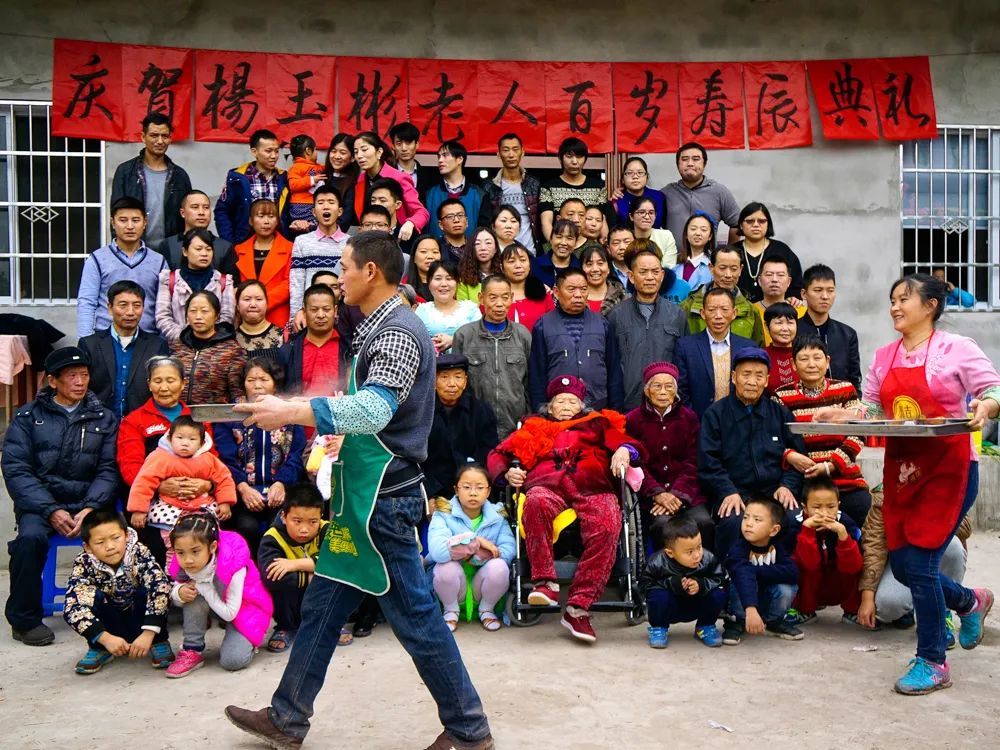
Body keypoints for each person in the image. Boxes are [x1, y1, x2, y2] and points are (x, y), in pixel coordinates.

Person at [226, 230, 494, 750]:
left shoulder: (396, 332)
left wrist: (294, 410)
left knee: (417, 619)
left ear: (370, 272)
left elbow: (374, 409)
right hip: (362, 498)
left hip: (382, 505)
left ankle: (467, 727)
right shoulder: (378, 327)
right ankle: (287, 717)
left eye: (344, 268)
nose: (337, 278)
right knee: (324, 606)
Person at [815, 273, 999, 694]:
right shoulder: (884, 356)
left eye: (904, 299)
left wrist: (986, 406)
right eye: (892, 300)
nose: (895, 307)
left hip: (949, 470)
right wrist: (840, 414)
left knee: (920, 564)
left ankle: (933, 660)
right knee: (907, 564)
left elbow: (992, 387)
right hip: (902, 471)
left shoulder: (957, 348)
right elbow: (874, 410)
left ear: (930, 305)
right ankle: (971, 601)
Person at [488, 375, 641, 642]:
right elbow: (498, 454)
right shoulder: (534, 425)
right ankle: (545, 583)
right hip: (546, 483)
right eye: (561, 401)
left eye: (573, 401)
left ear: (582, 405)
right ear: (550, 406)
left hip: (592, 484)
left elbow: (628, 443)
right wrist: (507, 473)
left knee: (607, 520)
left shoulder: (597, 423)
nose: (567, 405)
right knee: (534, 503)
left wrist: (625, 451)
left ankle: (578, 607)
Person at [3, 347, 119, 646]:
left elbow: (108, 469)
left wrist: (92, 506)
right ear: (53, 381)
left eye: (84, 375)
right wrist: (50, 509)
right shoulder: (28, 417)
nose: (80, 382)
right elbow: (17, 469)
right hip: (41, 504)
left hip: (88, 502)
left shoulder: (103, 418)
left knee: (121, 537)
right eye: (71, 376)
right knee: (29, 541)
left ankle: (119, 611)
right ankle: (25, 620)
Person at [698, 348, 805, 557]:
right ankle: (728, 579)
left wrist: (787, 486)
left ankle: (786, 579)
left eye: (759, 376)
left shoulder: (780, 413)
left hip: (773, 493)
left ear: (767, 380)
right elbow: (708, 463)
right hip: (736, 492)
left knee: (794, 518)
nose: (752, 381)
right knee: (733, 521)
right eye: (746, 374)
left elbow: (797, 458)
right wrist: (727, 490)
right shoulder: (715, 415)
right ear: (734, 377)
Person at [116, 356, 208, 565]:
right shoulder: (134, 420)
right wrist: (160, 487)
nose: (164, 387)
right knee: (156, 547)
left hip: (196, 495)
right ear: (149, 384)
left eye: (171, 380)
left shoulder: (198, 419)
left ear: (183, 383)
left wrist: (206, 483)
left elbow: (213, 459)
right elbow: (130, 467)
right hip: (151, 499)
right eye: (157, 381)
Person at [774, 335, 872, 526]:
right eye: (803, 359)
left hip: (844, 478)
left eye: (817, 358)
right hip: (803, 480)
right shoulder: (781, 396)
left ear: (827, 361)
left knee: (862, 510)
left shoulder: (845, 389)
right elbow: (775, 438)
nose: (811, 364)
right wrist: (790, 455)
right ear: (793, 364)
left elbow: (859, 432)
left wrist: (831, 465)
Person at [63, 509, 174, 674]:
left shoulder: (140, 552)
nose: (110, 547)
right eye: (100, 542)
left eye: (116, 538)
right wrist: (104, 638)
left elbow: (160, 587)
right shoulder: (84, 563)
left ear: (127, 535)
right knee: (91, 597)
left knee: (152, 588)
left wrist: (149, 633)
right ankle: (100, 647)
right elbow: (72, 607)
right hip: (109, 624)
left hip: (142, 620)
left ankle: (157, 641)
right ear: (88, 546)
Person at [215, 358, 307, 554]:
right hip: (242, 493)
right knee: (247, 528)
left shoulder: (290, 413)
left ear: (275, 383)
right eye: (251, 380)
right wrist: (243, 488)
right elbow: (225, 459)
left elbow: (297, 455)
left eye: (264, 379)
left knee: (281, 526)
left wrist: (281, 483)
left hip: (280, 491)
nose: (257, 385)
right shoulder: (230, 415)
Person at [166, 510, 273, 677]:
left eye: (195, 551)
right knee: (191, 595)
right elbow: (177, 597)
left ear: (213, 546)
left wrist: (203, 587)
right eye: (180, 553)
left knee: (233, 661)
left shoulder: (233, 564)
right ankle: (192, 650)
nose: (188, 560)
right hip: (217, 604)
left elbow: (230, 613)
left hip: (244, 610)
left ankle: (248, 641)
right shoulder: (184, 559)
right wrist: (179, 592)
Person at [127, 415, 237, 566]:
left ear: (202, 443)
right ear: (170, 438)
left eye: (192, 439)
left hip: (201, 508)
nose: (185, 443)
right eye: (180, 438)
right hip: (170, 508)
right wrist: (139, 509)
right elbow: (144, 482)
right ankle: (175, 576)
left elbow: (224, 479)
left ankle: (212, 570)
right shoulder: (160, 457)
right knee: (174, 544)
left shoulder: (208, 459)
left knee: (208, 539)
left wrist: (225, 502)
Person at [625, 362, 713, 549]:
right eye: (657, 386)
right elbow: (636, 464)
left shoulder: (689, 418)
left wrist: (677, 495)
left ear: (676, 390)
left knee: (704, 522)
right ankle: (665, 573)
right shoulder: (633, 420)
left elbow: (693, 461)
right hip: (652, 497)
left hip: (687, 493)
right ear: (647, 391)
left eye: (669, 386)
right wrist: (657, 494)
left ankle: (702, 572)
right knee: (661, 524)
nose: (663, 392)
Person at [858, 492, 970, 631]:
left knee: (953, 547)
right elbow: (874, 546)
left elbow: (965, 529)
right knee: (886, 607)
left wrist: (932, 511)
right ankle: (912, 607)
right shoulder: (888, 493)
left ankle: (942, 613)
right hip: (902, 563)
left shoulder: (942, 484)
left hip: (935, 553)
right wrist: (867, 597)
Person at [428, 464, 515, 633]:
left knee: (499, 567)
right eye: (466, 487)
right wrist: (476, 542)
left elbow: (509, 549)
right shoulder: (443, 513)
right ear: (456, 489)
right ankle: (450, 611)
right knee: (445, 566)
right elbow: (438, 551)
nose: (473, 493)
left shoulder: (498, 516)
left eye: (480, 487)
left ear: (488, 491)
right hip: (452, 589)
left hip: (483, 588)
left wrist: (478, 556)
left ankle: (487, 610)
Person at [529, 268, 624, 411]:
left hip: (598, 407)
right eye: (571, 289)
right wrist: (541, 409)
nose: (578, 295)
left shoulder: (602, 323)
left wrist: (616, 409)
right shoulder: (543, 325)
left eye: (584, 289)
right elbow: (537, 374)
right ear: (556, 291)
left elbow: (613, 370)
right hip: (559, 411)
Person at [452, 275, 531, 440]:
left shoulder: (523, 334)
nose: (499, 304)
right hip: (475, 426)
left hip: (515, 427)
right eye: (493, 298)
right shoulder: (464, 335)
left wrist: (529, 420)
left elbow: (530, 383)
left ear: (512, 298)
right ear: (481, 298)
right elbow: (457, 382)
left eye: (505, 297)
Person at [77, 197, 167, 338]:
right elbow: (87, 303)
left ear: (145, 223)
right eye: (123, 220)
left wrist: (162, 343)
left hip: (147, 339)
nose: (130, 226)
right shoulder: (97, 259)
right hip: (105, 339)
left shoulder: (159, 261)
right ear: (113, 222)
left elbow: (164, 306)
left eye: (136, 220)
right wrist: (85, 341)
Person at [608, 251, 688, 409]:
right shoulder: (616, 315)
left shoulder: (677, 314)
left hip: (666, 404)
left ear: (662, 275)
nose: (650, 277)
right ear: (631, 276)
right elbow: (611, 364)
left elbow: (684, 363)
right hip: (628, 403)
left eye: (655, 272)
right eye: (643, 272)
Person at [78, 279, 169, 418]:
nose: (130, 312)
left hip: (142, 424)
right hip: (99, 424)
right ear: (109, 307)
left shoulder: (157, 345)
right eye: (123, 305)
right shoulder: (89, 344)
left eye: (137, 305)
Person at [257, 483, 329, 653]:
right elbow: (270, 576)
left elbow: (338, 561)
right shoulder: (272, 538)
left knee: (337, 580)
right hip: (290, 597)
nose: (304, 529)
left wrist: (294, 564)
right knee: (280, 584)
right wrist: (312, 575)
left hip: (317, 590)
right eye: (297, 521)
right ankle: (286, 627)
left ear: (321, 516)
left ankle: (328, 623)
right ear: (284, 516)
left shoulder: (327, 529)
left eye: (313, 521)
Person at [723, 497, 803, 644]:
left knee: (788, 587)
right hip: (741, 603)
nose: (749, 523)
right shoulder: (738, 548)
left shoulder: (777, 547)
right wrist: (750, 608)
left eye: (757, 520)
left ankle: (773, 621)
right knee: (739, 580)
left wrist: (755, 571)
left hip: (762, 597)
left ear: (774, 530)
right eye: (746, 517)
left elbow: (792, 572)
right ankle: (736, 621)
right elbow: (742, 574)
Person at [639, 515, 726, 649]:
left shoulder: (708, 558)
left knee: (719, 594)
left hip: (697, 602)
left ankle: (705, 626)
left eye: (699, 547)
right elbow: (645, 585)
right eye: (690, 551)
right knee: (657, 595)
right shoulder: (657, 562)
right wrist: (672, 584)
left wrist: (701, 585)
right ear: (670, 552)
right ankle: (658, 628)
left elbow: (720, 578)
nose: (697, 555)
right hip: (670, 606)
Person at [787, 476, 864, 625]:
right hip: (811, 584)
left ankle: (852, 610)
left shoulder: (846, 523)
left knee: (858, 562)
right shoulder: (795, 524)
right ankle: (805, 610)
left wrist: (843, 535)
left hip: (838, 581)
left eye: (831, 506)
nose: (824, 513)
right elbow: (809, 564)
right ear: (804, 507)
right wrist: (807, 531)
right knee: (801, 566)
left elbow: (854, 566)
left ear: (839, 505)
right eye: (817, 507)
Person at [111, 112, 192, 251]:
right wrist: (120, 250)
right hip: (134, 249)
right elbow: (116, 214)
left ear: (170, 138)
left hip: (171, 252)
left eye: (165, 136)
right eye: (154, 135)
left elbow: (188, 218)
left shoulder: (180, 176)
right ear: (143, 137)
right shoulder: (125, 172)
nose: (160, 141)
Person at [424, 354, 499, 500]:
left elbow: (487, 454)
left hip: (472, 489)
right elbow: (418, 460)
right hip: (433, 489)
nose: (452, 384)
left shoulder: (481, 411)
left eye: (458, 377)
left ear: (465, 382)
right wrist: (430, 496)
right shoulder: (422, 413)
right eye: (444, 377)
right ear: (433, 382)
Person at [674, 287, 755, 417]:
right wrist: (693, 421)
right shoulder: (686, 346)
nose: (718, 316)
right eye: (712, 310)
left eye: (724, 310)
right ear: (703, 313)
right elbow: (681, 390)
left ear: (734, 313)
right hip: (698, 423)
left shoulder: (747, 347)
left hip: (739, 423)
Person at [156, 228, 237, 342]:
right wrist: (185, 338)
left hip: (214, 346)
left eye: (208, 249)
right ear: (185, 251)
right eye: (198, 249)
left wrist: (208, 338)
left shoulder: (224, 282)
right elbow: (162, 317)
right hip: (177, 346)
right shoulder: (169, 279)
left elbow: (227, 317)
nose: (204, 253)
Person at [169, 291, 247, 404]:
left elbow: (238, 394)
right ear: (186, 315)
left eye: (204, 311)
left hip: (214, 417)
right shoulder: (176, 346)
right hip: (180, 416)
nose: (198, 316)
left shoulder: (232, 350)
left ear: (216, 315)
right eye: (193, 311)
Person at [215, 129, 289, 244]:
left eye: (276, 151)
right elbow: (222, 211)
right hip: (244, 243)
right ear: (254, 152)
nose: (274, 156)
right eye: (268, 151)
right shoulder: (238, 178)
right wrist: (229, 242)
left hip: (277, 243)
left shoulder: (284, 177)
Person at [353, 131, 429, 241]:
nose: (359, 155)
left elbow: (422, 212)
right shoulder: (361, 179)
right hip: (369, 239)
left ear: (379, 152)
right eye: (356, 152)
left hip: (397, 239)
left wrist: (410, 223)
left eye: (364, 150)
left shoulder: (399, 177)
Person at [797, 264, 862, 392]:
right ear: (804, 294)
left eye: (830, 290)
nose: (825, 296)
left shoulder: (847, 334)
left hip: (841, 405)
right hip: (801, 405)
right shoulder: (793, 332)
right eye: (818, 290)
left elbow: (854, 380)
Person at [660, 142, 740, 246]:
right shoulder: (666, 193)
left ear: (704, 163)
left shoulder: (719, 191)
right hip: (673, 260)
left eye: (696, 159)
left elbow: (736, 224)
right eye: (684, 159)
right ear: (677, 164)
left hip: (708, 261)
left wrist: (728, 253)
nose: (690, 163)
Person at [682, 245, 764, 344]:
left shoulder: (751, 311)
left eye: (734, 269)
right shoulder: (688, 306)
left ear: (741, 270)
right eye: (722, 268)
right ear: (711, 268)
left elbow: (758, 350)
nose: (728, 275)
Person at [289, 185, 349, 314]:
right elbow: (297, 283)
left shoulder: (351, 243)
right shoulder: (302, 242)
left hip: (342, 313)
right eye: (320, 203)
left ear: (340, 211)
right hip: (311, 312)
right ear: (314, 212)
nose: (326, 206)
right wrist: (296, 314)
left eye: (331, 202)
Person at [234, 199, 294, 328]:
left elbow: (290, 282)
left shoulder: (290, 248)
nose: (266, 222)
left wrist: (263, 302)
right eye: (261, 216)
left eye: (271, 217)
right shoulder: (239, 250)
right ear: (251, 221)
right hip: (247, 316)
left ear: (277, 221)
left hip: (277, 314)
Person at [479, 133, 541, 254]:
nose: (511, 154)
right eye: (506, 150)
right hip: (500, 252)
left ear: (522, 152)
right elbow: (485, 224)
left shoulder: (534, 184)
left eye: (515, 149)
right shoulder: (489, 187)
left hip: (530, 251)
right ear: (499, 154)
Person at [279, 284, 343, 397]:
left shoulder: (349, 347)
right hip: (300, 412)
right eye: (314, 310)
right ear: (304, 312)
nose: (320, 315)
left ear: (335, 310)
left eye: (326, 309)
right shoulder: (289, 350)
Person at [539, 137, 608, 241]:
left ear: (585, 159)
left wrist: (603, 242)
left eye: (579, 156)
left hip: (589, 248)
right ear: (560, 158)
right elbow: (546, 221)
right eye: (569, 156)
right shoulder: (548, 187)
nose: (574, 161)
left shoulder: (598, 186)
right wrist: (555, 245)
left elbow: (602, 219)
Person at [156, 189, 238, 276]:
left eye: (206, 207)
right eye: (195, 207)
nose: (201, 212)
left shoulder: (224, 247)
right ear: (182, 213)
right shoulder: (168, 245)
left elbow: (232, 285)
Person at [733, 202, 802, 302]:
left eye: (761, 221)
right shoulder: (732, 252)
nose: (756, 225)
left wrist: (793, 298)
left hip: (775, 311)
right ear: (741, 225)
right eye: (750, 221)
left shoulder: (782, 250)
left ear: (768, 224)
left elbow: (796, 282)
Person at [415, 261, 482, 354]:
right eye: (438, 279)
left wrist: (454, 341)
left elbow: (482, 340)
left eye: (449, 278)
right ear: (429, 283)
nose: (444, 284)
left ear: (457, 283)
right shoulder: (421, 311)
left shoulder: (471, 309)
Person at [424, 140, 484, 242]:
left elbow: (484, 229)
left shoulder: (478, 194)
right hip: (437, 252)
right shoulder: (429, 193)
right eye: (439, 157)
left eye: (445, 155)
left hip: (470, 253)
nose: (440, 160)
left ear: (459, 159)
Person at [501, 242, 554, 332]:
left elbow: (553, 328)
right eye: (511, 261)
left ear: (530, 265)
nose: (518, 265)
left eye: (523, 260)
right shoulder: (494, 294)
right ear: (502, 268)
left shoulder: (542, 293)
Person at [755, 258, 806, 346]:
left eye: (780, 275)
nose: (774, 279)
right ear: (759, 280)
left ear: (789, 281)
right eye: (769, 275)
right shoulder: (751, 310)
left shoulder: (801, 311)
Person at [234, 280, 286, 361]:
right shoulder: (232, 339)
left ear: (267, 304)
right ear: (237, 305)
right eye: (247, 299)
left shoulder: (283, 336)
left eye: (258, 299)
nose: (253, 305)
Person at [285, 134, 325, 237]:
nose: (317, 153)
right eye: (315, 150)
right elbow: (293, 185)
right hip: (300, 205)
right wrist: (312, 180)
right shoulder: (296, 167)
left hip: (315, 205)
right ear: (308, 151)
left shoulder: (318, 167)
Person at [612, 157, 666, 229]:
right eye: (630, 173)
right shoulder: (617, 200)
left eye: (640, 172)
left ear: (647, 177)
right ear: (623, 179)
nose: (635, 176)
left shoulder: (659, 197)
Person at [368, 178, 415, 255]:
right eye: (373, 200)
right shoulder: (365, 232)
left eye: (382, 200)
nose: (376, 204)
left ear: (398, 204)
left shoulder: (408, 235)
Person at [531, 217, 583, 288]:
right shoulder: (535, 265)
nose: (563, 243)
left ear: (575, 243)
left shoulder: (580, 267)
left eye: (569, 238)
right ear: (551, 239)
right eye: (559, 237)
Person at [388, 121, 437, 196]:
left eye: (408, 142)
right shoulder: (387, 175)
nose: (404, 148)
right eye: (399, 143)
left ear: (417, 144)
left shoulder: (431, 176)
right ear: (393, 146)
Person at [324, 132, 358, 231]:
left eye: (342, 153)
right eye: (333, 151)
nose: (337, 156)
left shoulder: (353, 185)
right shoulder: (320, 177)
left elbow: (345, 220)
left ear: (352, 158)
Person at [629, 196, 677, 267]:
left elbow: (669, 267)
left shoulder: (666, 236)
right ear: (631, 216)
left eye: (651, 213)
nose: (647, 217)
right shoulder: (625, 237)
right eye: (642, 212)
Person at [673, 211, 715, 289]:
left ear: (710, 236)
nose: (698, 233)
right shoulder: (674, 261)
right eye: (693, 229)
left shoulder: (714, 264)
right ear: (686, 234)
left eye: (703, 230)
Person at [456, 227, 501, 301]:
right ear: (471, 248)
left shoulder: (504, 273)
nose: (483, 248)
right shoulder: (463, 279)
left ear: (496, 248)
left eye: (488, 243)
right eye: (477, 243)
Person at [763, 302, 799, 390]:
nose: (785, 329)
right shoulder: (761, 356)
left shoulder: (804, 354)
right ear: (767, 327)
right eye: (779, 323)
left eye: (790, 323)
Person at [581, 245, 625, 316]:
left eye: (600, 263)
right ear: (581, 269)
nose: (595, 269)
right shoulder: (574, 297)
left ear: (608, 269)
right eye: (589, 264)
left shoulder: (622, 296)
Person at [404, 234, 442, 302]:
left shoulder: (449, 284)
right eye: (423, 251)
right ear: (414, 258)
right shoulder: (404, 287)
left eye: (435, 252)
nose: (430, 256)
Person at [435, 198, 471, 263]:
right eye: (450, 216)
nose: (456, 220)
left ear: (467, 222)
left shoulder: (475, 246)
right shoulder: (436, 248)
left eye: (460, 215)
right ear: (440, 225)